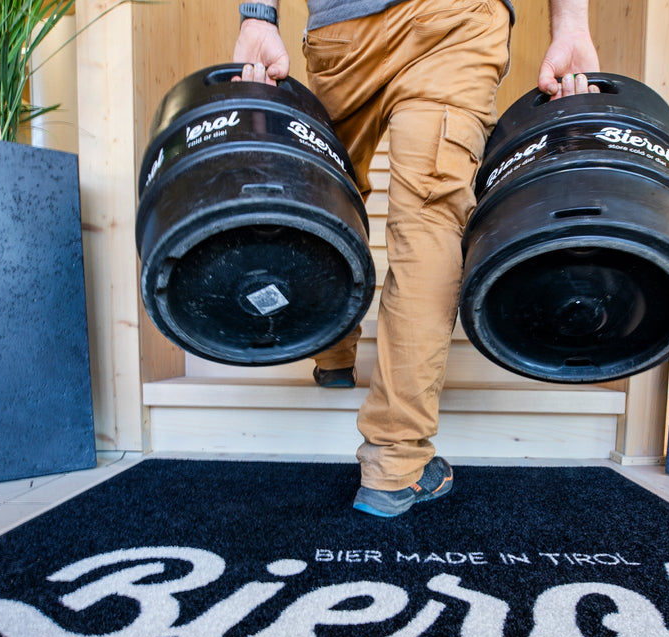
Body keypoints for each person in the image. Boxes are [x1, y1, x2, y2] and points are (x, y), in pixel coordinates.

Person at [233, 0, 600, 517]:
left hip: (343, 29)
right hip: (453, 19)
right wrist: (570, 25)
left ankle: (334, 357)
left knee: (332, 191)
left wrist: (258, 15)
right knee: (428, 221)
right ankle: (395, 463)